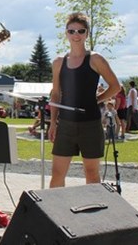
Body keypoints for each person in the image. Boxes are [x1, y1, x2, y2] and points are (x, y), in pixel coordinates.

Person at [48, 12, 119, 188]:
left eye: (80, 31)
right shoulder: (58, 62)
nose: (76, 35)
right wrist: (52, 123)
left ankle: (93, 214)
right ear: (66, 34)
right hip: (65, 124)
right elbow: (55, 94)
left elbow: (115, 86)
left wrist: (97, 100)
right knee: (57, 173)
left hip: (90, 124)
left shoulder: (95, 59)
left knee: (92, 174)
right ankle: (55, 213)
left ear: (87, 33)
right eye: (71, 31)